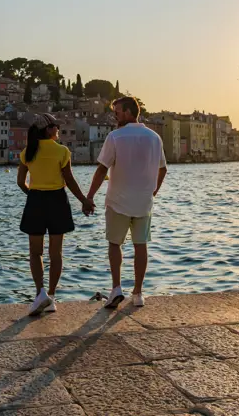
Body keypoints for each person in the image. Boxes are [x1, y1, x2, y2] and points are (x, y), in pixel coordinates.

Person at [86, 96, 167, 308]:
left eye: (118, 112)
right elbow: (163, 168)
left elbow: (102, 168)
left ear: (130, 113)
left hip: (118, 200)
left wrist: (90, 196)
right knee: (141, 245)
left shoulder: (115, 137)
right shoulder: (154, 138)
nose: (115, 115)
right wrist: (153, 191)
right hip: (143, 202)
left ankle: (116, 289)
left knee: (115, 244)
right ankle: (138, 293)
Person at [17, 113, 95, 315]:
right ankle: (51, 296)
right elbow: (69, 181)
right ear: (48, 129)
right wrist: (85, 201)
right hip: (57, 201)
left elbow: (20, 182)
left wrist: (33, 194)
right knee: (56, 253)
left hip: (36, 201)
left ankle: (40, 293)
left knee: (35, 252)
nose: (58, 129)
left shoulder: (28, 152)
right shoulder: (62, 151)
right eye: (56, 126)